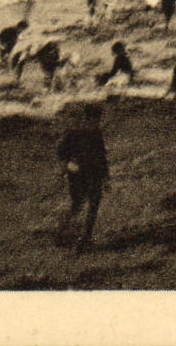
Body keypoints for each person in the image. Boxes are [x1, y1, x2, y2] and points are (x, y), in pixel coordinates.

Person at [57, 103, 109, 250]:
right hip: (78, 175)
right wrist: (67, 166)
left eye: (97, 120)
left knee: (94, 204)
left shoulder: (96, 133)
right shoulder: (73, 133)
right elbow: (61, 152)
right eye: (93, 120)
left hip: (95, 174)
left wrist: (106, 178)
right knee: (77, 204)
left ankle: (86, 237)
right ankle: (63, 232)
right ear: (86, 119)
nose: (96, 123)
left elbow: (102, 156)